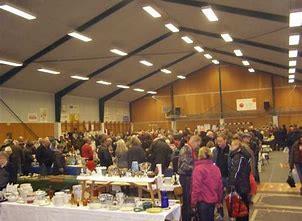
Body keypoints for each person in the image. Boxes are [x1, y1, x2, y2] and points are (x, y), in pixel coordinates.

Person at [191, 146, 223, 221]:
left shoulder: (198, 169)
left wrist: (193, 202)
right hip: (213, 200)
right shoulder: (216, 168)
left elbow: (196, 187)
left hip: (202, 200)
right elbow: (220, 186)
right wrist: (219, 200)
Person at [178, 135, 201, 221]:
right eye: (197, 144)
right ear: (194, 142)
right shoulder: (187, 150)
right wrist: (196, 168)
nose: (197, 147)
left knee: (188, 201)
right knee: (187, 202)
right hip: (186, 178)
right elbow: (184, 166)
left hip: (188, 178)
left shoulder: (189, 149)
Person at [228, 137, 251, 221]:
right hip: (244, 184)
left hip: (240, 186)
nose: (230, 147)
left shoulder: (238, 156)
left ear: (236, 146)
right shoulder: (243, 155)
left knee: (240, 208)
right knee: (244, 207)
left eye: (231, 146)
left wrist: (231, 184)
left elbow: (235, 171)